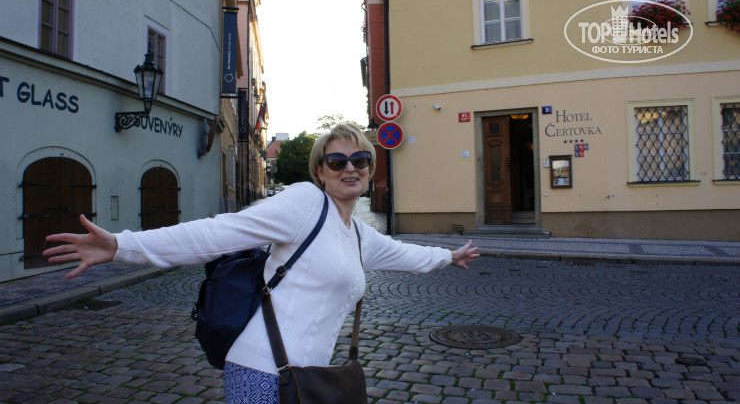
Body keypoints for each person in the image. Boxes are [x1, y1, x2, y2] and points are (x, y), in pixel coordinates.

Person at [44, 123, 480, 403]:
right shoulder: (305, 203)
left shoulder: (357, 233)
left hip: (306, 379)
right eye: (337, 161)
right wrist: (121, 246)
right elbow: (217, 233)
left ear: (370, 168)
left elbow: (405, 254)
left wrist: (448, 256)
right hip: (261, 373)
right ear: (320, 171)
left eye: (360, 160)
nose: (350, 168)